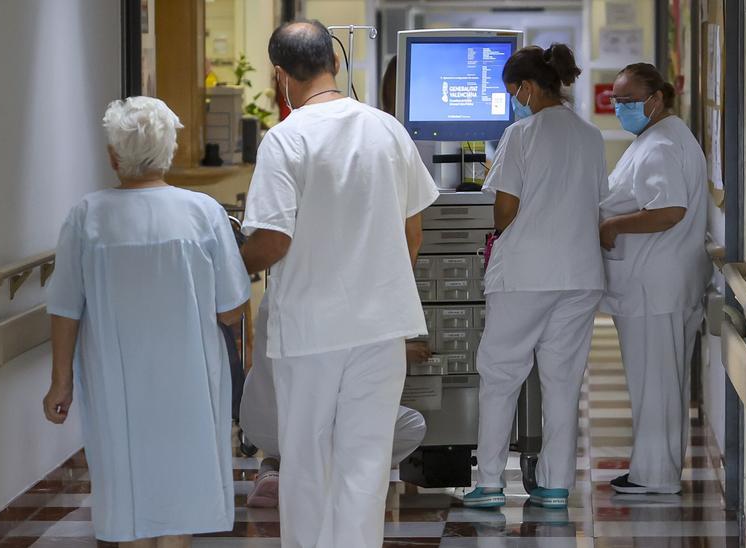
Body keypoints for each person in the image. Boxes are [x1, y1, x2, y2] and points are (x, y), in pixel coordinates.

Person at [238, 20, 439, 548]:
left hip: (310, 332)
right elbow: (412, 231)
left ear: (281, 75)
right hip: (380, 330)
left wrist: (226, 259)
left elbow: (273, 241)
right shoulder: (386, 128)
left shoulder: (286, 139)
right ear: (334, 60)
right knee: (367, 464)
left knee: (306, 464)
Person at [41, 97, 251, 548]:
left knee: (126, 481)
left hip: (115, 381)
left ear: (114, 156)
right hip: (189, 381)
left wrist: (61, 382)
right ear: (169, 152)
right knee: (181, 485)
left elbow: (65, 307)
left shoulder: (87, 216)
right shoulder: (203, 213)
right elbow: (231, 308)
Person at [463, 44, 606, 511]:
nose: (513, 101)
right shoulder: (590, 135)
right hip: (581, 273)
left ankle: (488, 483)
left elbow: (505, 208)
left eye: (511, 92)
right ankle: (555, 484)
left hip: (526, 272)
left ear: (526, 87)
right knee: (563, 381)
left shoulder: (521, 134)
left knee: (500, 375)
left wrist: (500, 229)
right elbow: (595, 200)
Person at [600, 63, 710, 495]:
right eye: (617, 100)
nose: (621, 107)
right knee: (660, 381)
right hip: (660, 283)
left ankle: (657, 475)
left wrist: (612, 227)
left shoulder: (661, 145)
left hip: (656, 285)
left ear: (656, 98)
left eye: (629, 100)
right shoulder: (658, 138)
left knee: (656, 383)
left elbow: (669, 210)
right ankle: (653, 469)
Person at [239, 294, 430, 508]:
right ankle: (323, 477)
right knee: (412, 425)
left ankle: (271, 467)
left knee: (282, 406)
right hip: (315, 429)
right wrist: (398, 352)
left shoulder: (273, 295)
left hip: (258, 425)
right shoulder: (342, 298)